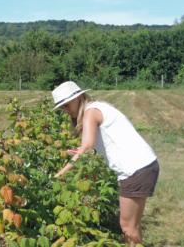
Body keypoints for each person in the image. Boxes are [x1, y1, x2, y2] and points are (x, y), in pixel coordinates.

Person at [51, 81, 159, 246]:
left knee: (127, 226)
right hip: (142, 166)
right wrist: (80, 151)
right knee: (132, 225)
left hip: (135, 169)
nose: (65, 110)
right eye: (62, 108)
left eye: (66, 105)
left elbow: (87, 146)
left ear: (78, 97)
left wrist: (60, 173)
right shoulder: (97, 107)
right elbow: (93, 145)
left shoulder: (90, 112)